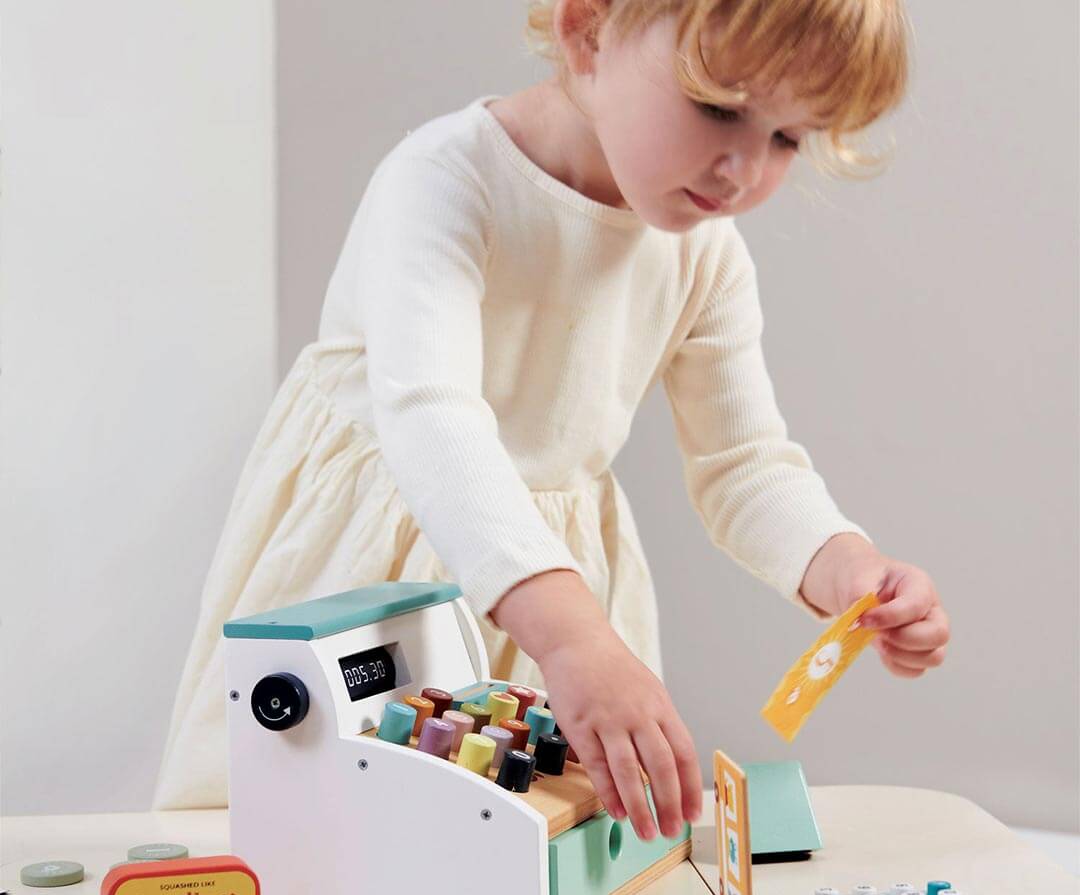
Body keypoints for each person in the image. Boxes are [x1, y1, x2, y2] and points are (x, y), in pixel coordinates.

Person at [154, 0, 951, 841]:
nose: (742, 170)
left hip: (549, 605)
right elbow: (434, 419)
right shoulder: (446, 181)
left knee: (508, 856)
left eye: (788, 138)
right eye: (720, 108)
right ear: (589, 32)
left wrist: (847, 569)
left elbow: (745, 465)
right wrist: (575, 643)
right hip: (375, 582)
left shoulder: (705, 255)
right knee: (293, 842)